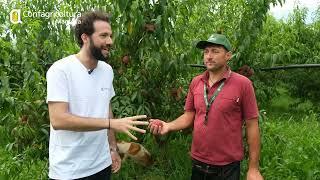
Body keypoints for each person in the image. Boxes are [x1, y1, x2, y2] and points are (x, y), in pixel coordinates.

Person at [46, 11, 148, 180]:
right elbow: (58, 120)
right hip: (69, 170)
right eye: (103, 36)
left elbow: (105, 109)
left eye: (110, 35)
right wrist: (111, 124)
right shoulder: (60, 70)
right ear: (85, 37)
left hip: (101, 164)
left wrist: (113, 148)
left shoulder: (107, 71)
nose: (110, 41)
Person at [149, 33, 263, 180]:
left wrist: (253, 169)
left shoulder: (243, 84)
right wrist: (168, 126)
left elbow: (252, 125)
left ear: (228, 55)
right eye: (206, 51)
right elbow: (189, 115)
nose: (209, 56)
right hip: (198, 163)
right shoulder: (196, 82)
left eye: (215, 51)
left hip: (227, 167)